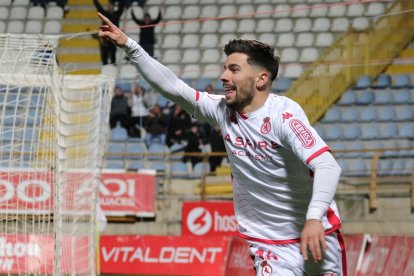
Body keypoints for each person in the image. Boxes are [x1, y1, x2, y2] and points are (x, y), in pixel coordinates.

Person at [98, 13, 346, 275]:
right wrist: (129, 45)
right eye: (225, 68)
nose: (223, 76)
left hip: (317, 233)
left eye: (234, 69)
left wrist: (314, 217)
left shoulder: (283, 116)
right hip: (269, 243)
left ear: (261, 79)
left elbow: (328, 166)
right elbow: (172, 87)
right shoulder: (221, 110)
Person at [93, 0, 125, 64]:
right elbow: (98, 7)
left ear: (113, 7)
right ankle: (105, 68)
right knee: (104, 56)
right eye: (109, 6)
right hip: (105, 38)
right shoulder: (105, 14)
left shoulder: (117, 14)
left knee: (113, 56)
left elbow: (121, 6)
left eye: (111, 6)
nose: (110, 7)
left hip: (113, 39)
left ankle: (112, 69)